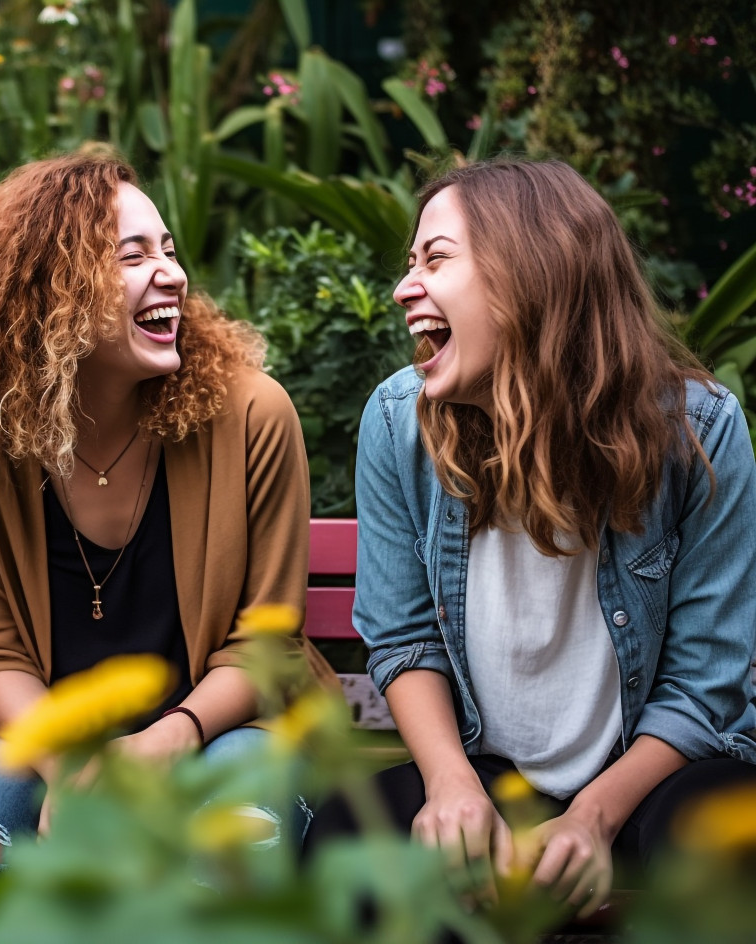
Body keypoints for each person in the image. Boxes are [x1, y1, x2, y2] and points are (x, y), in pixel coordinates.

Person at [305, 158, 756, 918]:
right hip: (485, 766)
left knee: (727, 842)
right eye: (410, 263)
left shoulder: (699, 431)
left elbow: (704, 683)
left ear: (530, 273)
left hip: (648, 776)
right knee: (346, 844)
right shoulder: (397, 422)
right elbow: (404, 639)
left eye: (435, 259)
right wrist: (451, 784)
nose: (404, 288)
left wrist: (592, 817)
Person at [0, 149, 338, 927]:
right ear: (50, 291)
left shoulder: (251, 416)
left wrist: (166, 741)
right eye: (133, 257)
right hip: (46, 735)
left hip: (229, 729)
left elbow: (268, 643)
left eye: (168, 249)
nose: (171, 274)